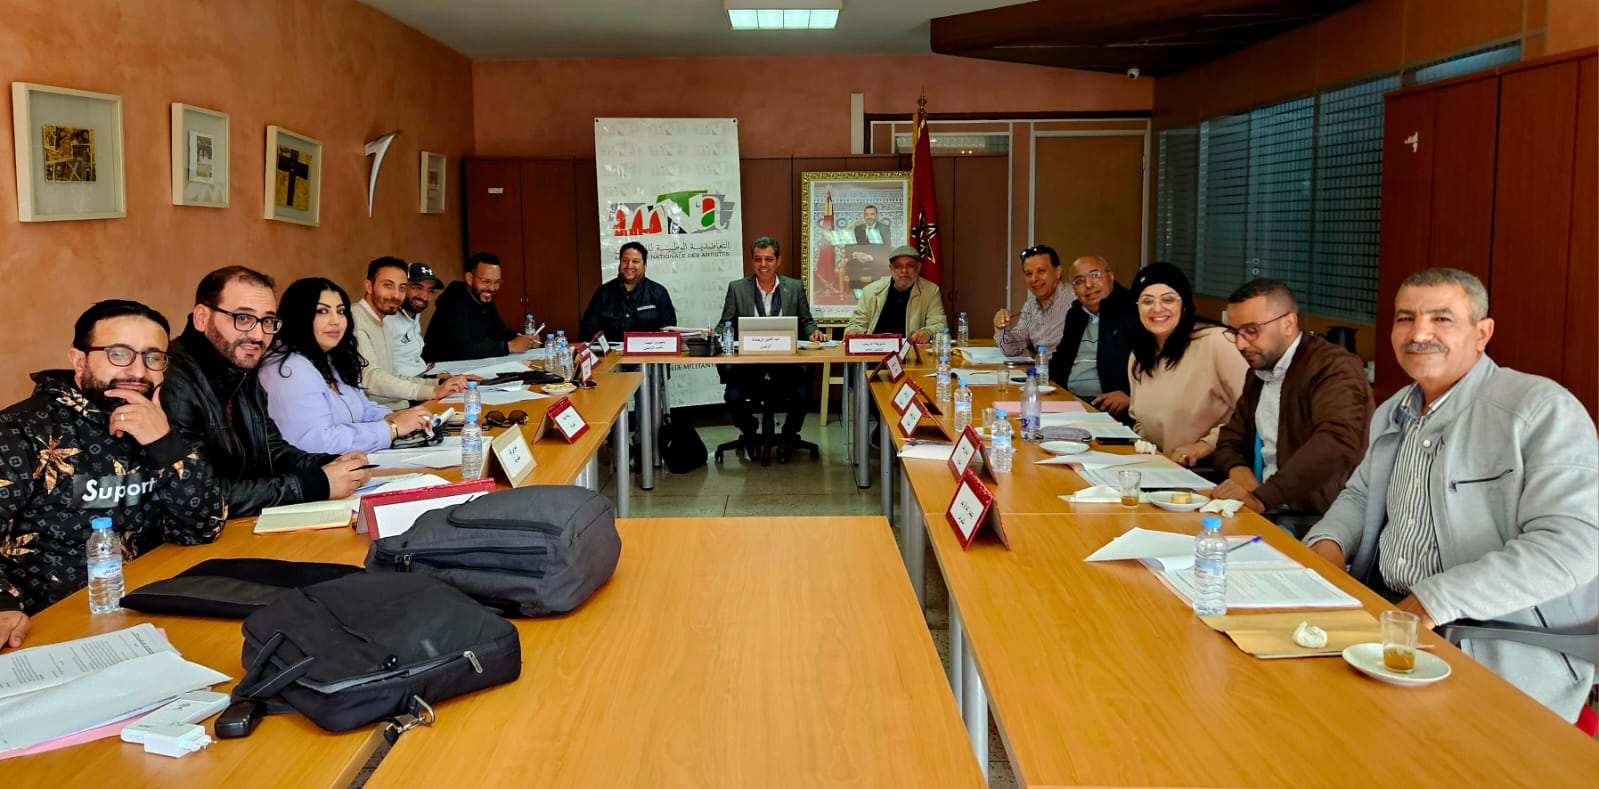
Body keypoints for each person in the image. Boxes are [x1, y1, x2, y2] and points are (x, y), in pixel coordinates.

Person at [1305, 268, 1597, 722]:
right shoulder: (1394, 411)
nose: (1418, 333)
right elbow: (1360, 496)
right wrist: (1325, 551)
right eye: (1405, 319)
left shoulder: (1540, 408)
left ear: (1482, 333)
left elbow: (1573, 546)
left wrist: (1430, 602)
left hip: (1494, 642)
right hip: (1388, 617)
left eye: (1442, 318)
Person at [0, 301, 224, 648]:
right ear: (79, 360)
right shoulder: (21, 431)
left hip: (152, 609)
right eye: (119, 354)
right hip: (50, 627)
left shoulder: (160, 421)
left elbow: (202, 527)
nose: (138, 371)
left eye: (153, 357)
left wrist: (164, 445)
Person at [161, 266, 372, 517]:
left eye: (268, 321)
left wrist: (332, 464)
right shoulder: (174, 383)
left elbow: (272, 450)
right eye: (243, 318)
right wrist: (315, 484)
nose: (258, 335)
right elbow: (201, 496)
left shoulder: (240, 364)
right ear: (202, 318)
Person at [1211, 279, 1374, 516]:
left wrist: (1263, 497)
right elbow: (1230, 439)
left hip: (1318, 517)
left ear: (1288, 323)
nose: (1240, 344)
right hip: (1265, 507)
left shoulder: (1334, 367)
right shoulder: (1259, 371)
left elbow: (1336, 442)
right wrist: (1240, 473)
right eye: (1235, 332)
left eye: (1252, 331)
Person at [260, 278, 436, 455]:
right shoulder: (289, 369)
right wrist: (391, 428)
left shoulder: (329, 358)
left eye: (341, 311)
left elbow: (363, 409)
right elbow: (317, 442)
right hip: (321, 468)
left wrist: (393, 416)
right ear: (299, 316)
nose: (336, 320)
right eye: (322, 311)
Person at [1124, 262, 1248, 467]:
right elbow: (1139, 421)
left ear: (1184, 305)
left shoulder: (1217, 342)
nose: (1157, 308)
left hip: (1214, 469)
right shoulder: (1138, 356)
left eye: (1168, 299)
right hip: (1162, 468)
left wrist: (1205, 445)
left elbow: (1253, 411)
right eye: (1147, 301)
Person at [718, 236, 826, 462]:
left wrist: (813, 332)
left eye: (768, 259)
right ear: (752, 261)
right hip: (749, 366)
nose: (763, 265)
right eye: (758, 259)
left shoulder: (794, 287)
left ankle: (788, 435)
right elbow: (725, 323)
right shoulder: (737, 288)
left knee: (803, 393)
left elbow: (806, 321)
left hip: (786, 365)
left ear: (778, 261)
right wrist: (714, 335)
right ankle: (749, 431)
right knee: (733, 395)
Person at [353, 257, 467, 409]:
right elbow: (370, 378)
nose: (396, 295)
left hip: (398, 406)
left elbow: (394, 376)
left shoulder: (382, 320)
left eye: (401, 288)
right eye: (388, 285)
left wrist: (440, 384)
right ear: (369, 286)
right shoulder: (355, 320)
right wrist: (432, 391)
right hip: (379, 413)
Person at [1046, 255, 1136, 417]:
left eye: (1095, 275)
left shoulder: (1132, 311)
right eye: (1079, 281)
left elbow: (1155, 367)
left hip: (1109, 410)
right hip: (1070, 402)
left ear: (1111, 276)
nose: (1088, 285)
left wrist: (1131, 394)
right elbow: (1061, 360)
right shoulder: (1076, 314)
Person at [422, 252, 540, 363]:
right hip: (438, 367)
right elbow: (461, 349)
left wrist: (526, 340)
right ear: (469, 278)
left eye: (497, 282)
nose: (492, 288)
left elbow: (499, 330)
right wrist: (508, 347)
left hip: (465, 364)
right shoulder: (454, 301)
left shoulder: (482, 297)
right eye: (486, 281)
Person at [842, 245, 947, 344]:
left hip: (909, 351)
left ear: (918, 267)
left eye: (910, 266)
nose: (904, 271)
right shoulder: (871, 291)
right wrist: (854, 331)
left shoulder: (930, 291)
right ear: (891, 268)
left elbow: (940, 325)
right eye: (898, 266)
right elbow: (857, 323)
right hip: (873, 350)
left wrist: (928, 333)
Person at [578, 242, 677, 341]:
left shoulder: (659, 293)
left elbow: (669, 333)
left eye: (635, 261)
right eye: (625, 260)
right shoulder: (603, 293)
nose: (629, 266)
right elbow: (587, 333)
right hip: (612, 351)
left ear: (645, 265)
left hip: (649, 350)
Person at [993, 244, 1071, 356]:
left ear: (1058, 272)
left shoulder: (1077, 299)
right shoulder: (1030, 305)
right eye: (1029, 274)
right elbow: (1012, 349)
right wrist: (1000, 328)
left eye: (1041, 271)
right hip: (1041, 366)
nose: (1034, 279)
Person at [386, 261, 443, 377]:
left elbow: (412, 358)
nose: (424, 296)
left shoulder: (414, 314)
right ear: (402, 287)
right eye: (417, 287)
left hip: (422, 378)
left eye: (430, 290)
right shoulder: (387, 319)